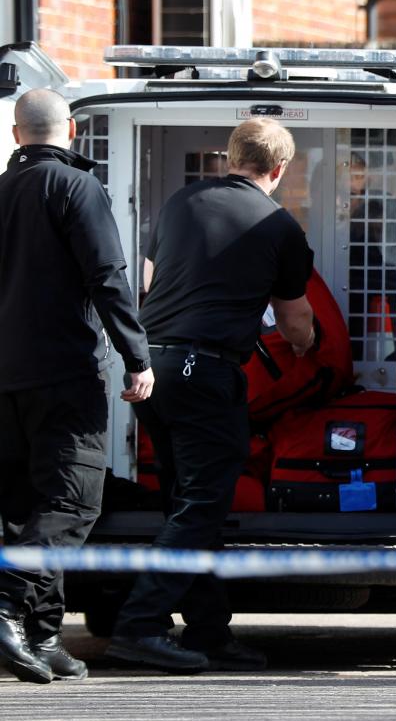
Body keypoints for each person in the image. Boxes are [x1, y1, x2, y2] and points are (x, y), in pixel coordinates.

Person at [106, 118, 316, 674]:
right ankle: (140, 625)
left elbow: (150, 280)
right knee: (201, 508)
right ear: (278, 170)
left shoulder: (180, 203)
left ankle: (208, 630)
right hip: (208, 372)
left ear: (229, 158)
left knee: (186, 503)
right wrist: (306, 343)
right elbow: (296, 324)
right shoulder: (278, 226)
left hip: (152, 368)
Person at [0, 89, 154, 683]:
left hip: (6, 380)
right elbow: (107, 276)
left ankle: (40, 637)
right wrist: (136, 356)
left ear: (18, 136)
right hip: (62, 374)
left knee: (25, 510)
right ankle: (9, 604)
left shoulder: (2, 191)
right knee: (72, 501)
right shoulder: (77, 188)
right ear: (71, 129)